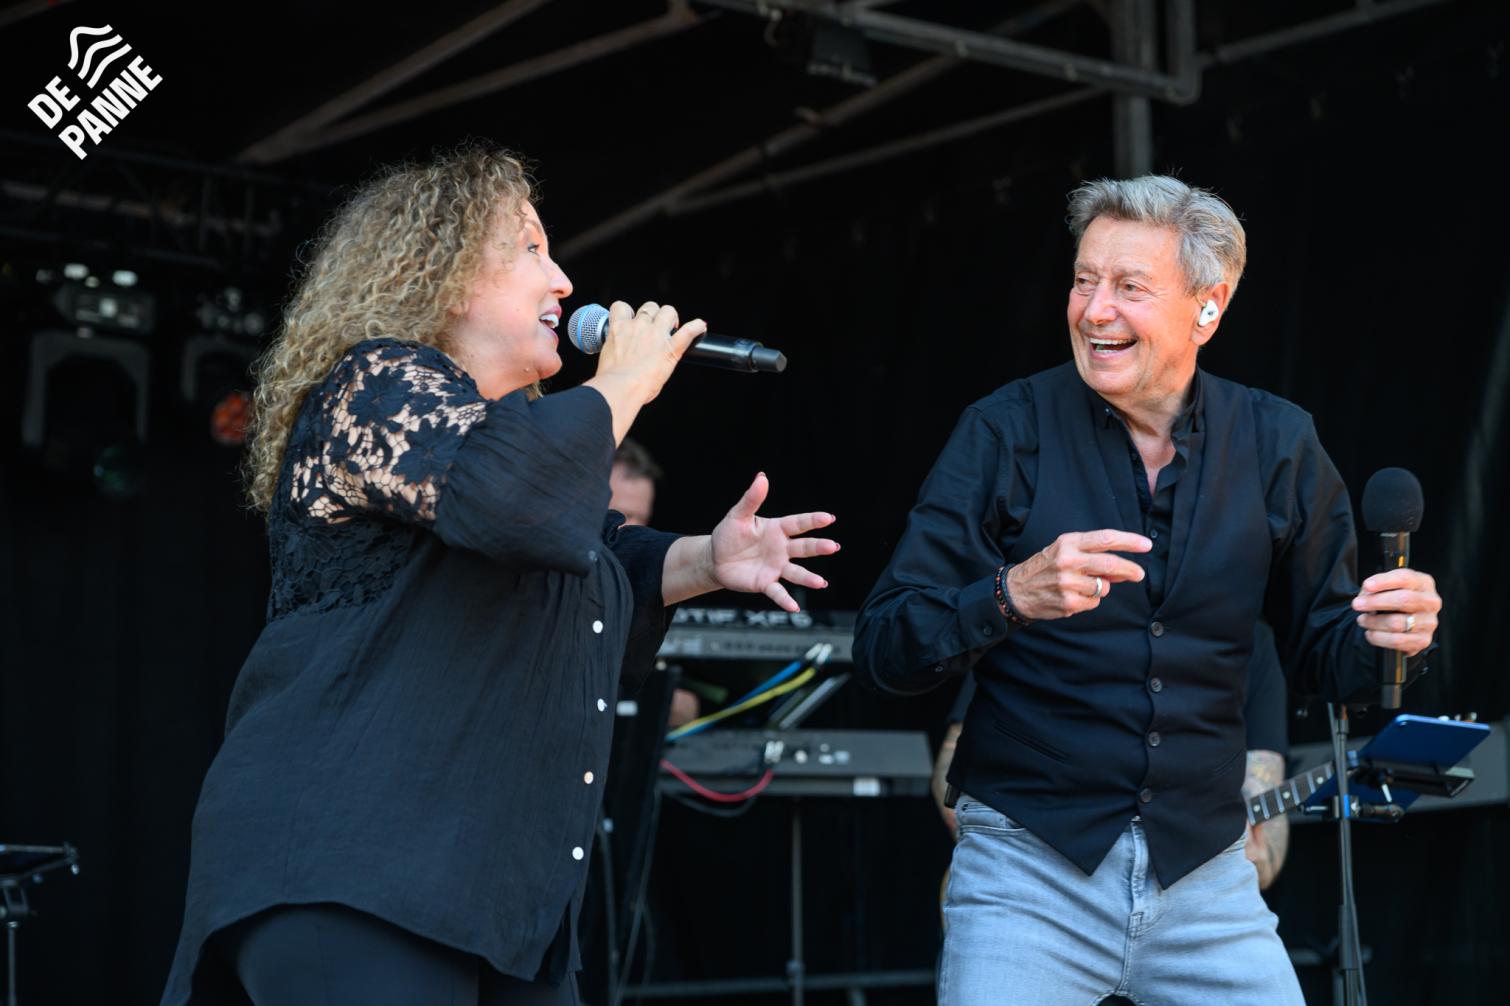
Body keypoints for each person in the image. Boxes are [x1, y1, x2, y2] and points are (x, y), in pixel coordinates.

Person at [159, 143, 838, 1006]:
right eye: (530, 250)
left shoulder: (513, 459)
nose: (564, 280)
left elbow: (588, 559)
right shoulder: (375, 387)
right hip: (351, 870)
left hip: (492, 903)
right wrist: (625, 381)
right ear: (440, 276)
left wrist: (706, 559)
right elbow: (515, 502)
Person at [854, 175, 1440, 1005]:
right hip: (1027, 868)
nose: (1095, 310)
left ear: (1208, 308)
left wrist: (1392, 638)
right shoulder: (1004, 430)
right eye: (1083, 281)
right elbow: (885, 644)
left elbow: (1325, 656)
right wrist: (1011, 594)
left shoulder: (1277, 441)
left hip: (1206, 872)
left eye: (1129, 287)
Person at [933, 622, 1290, 891]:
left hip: (1184, 898)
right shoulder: (1044, 618)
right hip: (1039, 885)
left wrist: (1251, 855)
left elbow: (1266, 840)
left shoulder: (1250, 640)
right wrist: (1012, 851)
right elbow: (954, 768)